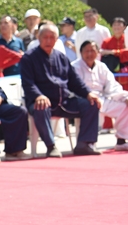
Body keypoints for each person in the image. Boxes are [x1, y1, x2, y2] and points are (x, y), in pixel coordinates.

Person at [21, 23, 102, 158]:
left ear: (57, 39)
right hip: (41, 103)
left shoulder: (61, 57)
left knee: (91, 104)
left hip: (64, 102)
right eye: (45, 37)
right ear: (39, 38)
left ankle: (84, 143)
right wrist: (38, 96)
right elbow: (28, 83)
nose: (48, 41)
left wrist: (88, 93)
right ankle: (50, 146)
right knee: (40, 106)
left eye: (52, 37)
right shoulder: (29, 58)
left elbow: (74, 81)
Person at [72, 41, 128, 151]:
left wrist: (125, 97)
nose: (89, 54)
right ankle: (88, 143)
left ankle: (122, 141)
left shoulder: (101, 66)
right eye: (86, 51)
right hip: (83, 100)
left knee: (125, 106)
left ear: (98, 52)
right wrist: (88, 96)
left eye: (92, 51)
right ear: (81, 52)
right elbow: (74, 87)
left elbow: (111, 85)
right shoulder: (75, 66)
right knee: (90, 106)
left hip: (102, 98)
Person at [100, 17, 128, 91]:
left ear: (124, 27)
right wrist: (120, 52)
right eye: (114, 25)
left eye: (119, 24)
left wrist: (112, 52)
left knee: (127, 90)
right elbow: (102, 53)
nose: (116, 27)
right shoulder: (107, 41)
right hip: (111, 68)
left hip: (124, 68)